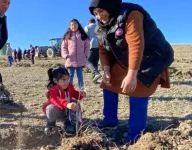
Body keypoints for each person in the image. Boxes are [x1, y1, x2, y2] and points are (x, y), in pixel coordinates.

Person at [89, 0, 174, 144]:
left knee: (137, 90)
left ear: (110, 7)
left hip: (151, 58)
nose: (99, 16)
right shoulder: (101, 27)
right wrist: (107, 70)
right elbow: (103, 51)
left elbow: (136, 45)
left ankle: (135, 135)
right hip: (125, 60)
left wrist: (132, 75)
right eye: (95, 13)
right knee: (108, 84)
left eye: (101, 11)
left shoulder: (131, 14)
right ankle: (110, 121)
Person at [42, 67, 86, 135]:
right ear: (55, 80)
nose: (67, 82)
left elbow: (75, 94)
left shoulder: (69, 87)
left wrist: (81, 94)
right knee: (50, 108)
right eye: (63, 79)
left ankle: (73, 124)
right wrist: (67, 104)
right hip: (57, 112)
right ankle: (50, 124)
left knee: (75, 102)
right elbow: (56, 100)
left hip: (67, 112)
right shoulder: (53, 90)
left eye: (68, 79)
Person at [61, 19, 90, 89]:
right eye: (71, 25)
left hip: (80, 60)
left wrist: (86, 55)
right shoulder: (67, 36)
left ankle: (81, 90)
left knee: (80, 76)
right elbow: (63, 47)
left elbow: (87, 47)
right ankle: (69, 91)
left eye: (75, 24)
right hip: (70, 59)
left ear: (78, 25)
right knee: (70, 76)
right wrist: (66, 55)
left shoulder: (83, 35)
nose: (73, 26)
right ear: (70, 26)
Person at [84, 18, 102, 83]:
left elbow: (84, 37)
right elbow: (101, 36)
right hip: (99, 45)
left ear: (89, 22)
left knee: (87, 61)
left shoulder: (87, 27)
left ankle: (96, 73)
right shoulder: (98, 27)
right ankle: (95, 80)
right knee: (95, 62)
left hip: (91, 45)